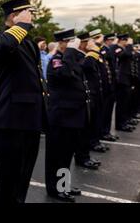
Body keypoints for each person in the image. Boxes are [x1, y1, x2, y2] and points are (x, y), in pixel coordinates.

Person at [0, 0, 47, 204]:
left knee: (22, 181)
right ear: (15, 16)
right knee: (8, 182)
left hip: (30, 121)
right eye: (28, 13)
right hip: (11, 122)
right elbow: (5, 46)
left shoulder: (29, 44)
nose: (31, 17)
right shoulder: (1, 39)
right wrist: (21, 25)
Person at [45, 28, 85, 202]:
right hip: (61, 117)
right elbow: (65, 75)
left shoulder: (70, 59)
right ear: (62, 43)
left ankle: (64, 184)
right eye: (69, 43)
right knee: (57, 155)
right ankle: (55, 188)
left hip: (72, 116)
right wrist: (69, 51)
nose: (72, 46)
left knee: (67, 154)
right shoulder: (56, 61)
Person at [73, 32, 101, 169]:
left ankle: (85, 155)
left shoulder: (84, 56)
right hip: (82, 99)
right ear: (83, 43)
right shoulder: (78, 56)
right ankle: (81, 157)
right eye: (89, 42)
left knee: (88, 129)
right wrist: (93, 50)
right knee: (83, 131)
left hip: (90, 96)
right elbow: (88, 66)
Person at [112, 34, 137, 132]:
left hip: (127, 79)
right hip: (122, 80)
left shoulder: (124, 49)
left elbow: (131, 55)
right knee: (122, 103)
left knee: (126, 102)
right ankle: (120, 124)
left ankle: (124, 121)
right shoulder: (118, 49)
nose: (128, 42)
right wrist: (130, 46)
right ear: (122, 40)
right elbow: (125, 55)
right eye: (126, 40)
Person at [100, 33, 118, 141]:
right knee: (105, 111)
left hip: (110, 85)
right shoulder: (104, 49)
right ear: (107, 40)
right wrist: (113, 47)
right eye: (111, 40)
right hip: (106, 87)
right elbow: (110, 56)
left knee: (108, 111)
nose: (112, 42)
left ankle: (106, 131)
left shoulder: (107, 49)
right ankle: (104, 132)